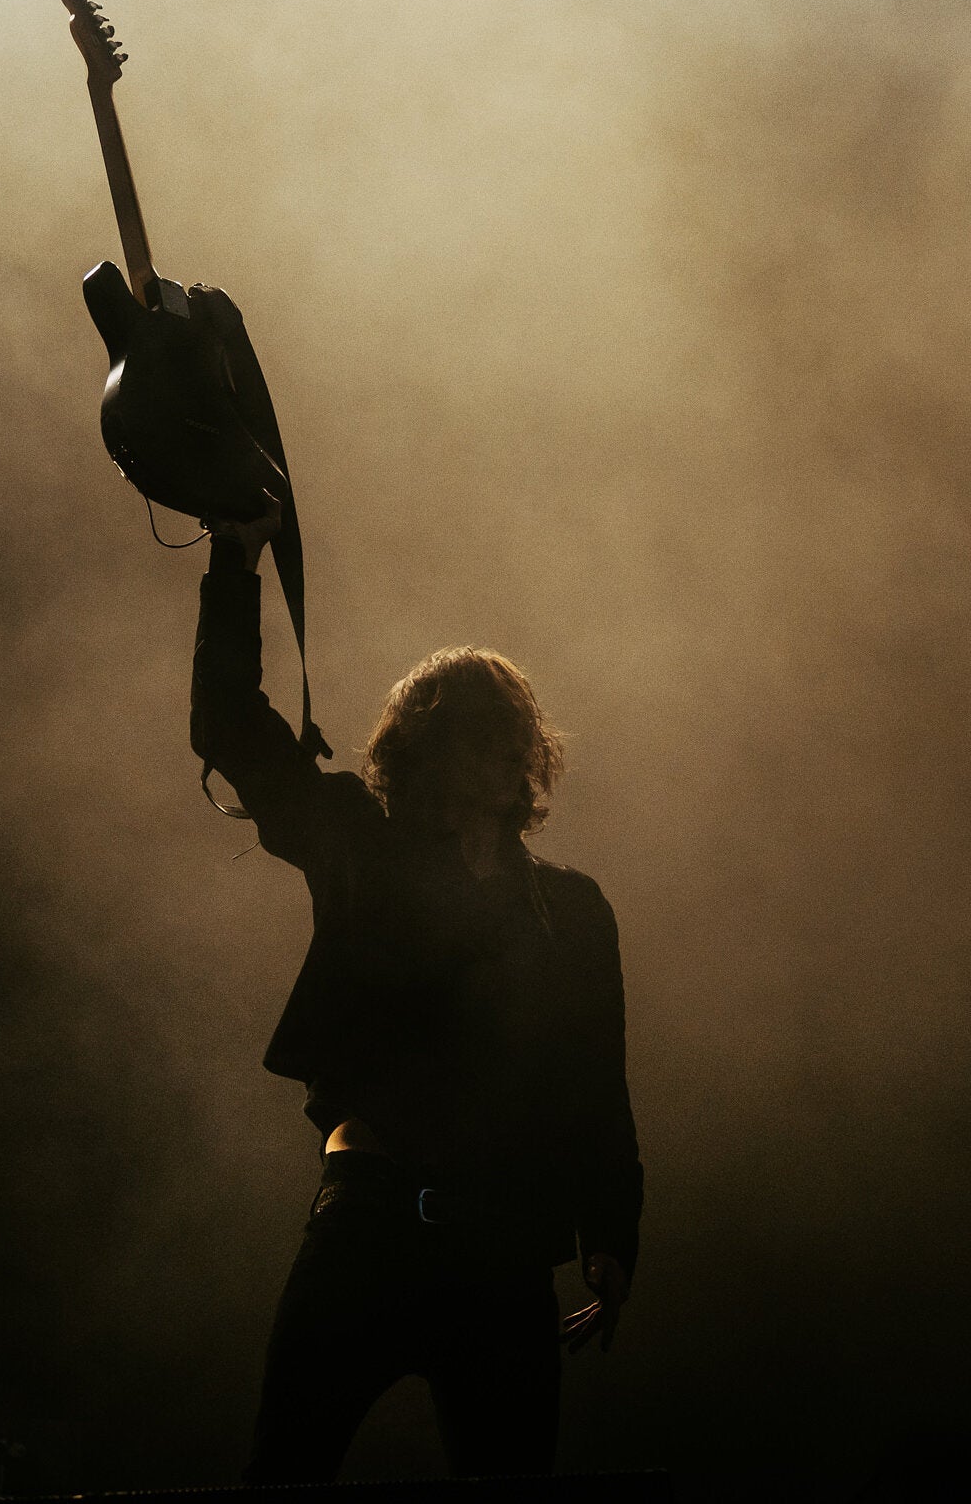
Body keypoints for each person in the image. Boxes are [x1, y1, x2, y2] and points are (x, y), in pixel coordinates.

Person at [191, 499, 643, 1483]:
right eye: (459, 735)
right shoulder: (357, 842)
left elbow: (595, 1082)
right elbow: (231, 725)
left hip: (503, 1248)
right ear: (416, 747)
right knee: (283, 1476)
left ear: (524, 757)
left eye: (500, 737)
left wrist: (611, 1236)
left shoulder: (571, 910)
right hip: (370, 1220)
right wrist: (234, 562)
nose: (482, 758)